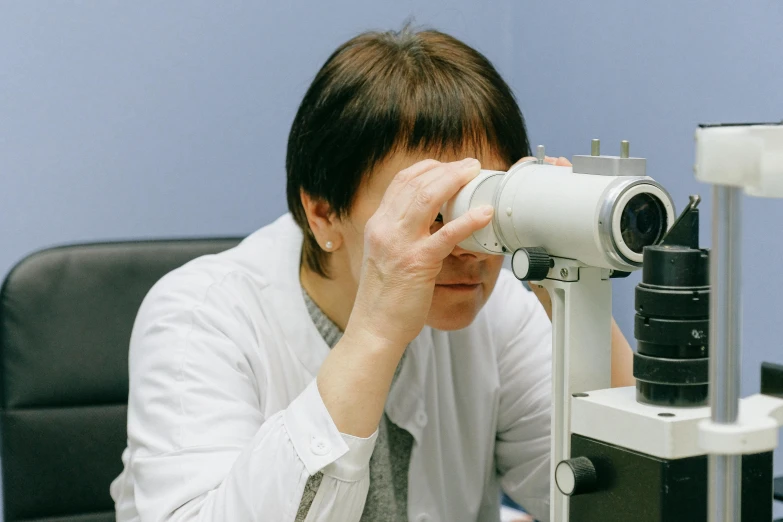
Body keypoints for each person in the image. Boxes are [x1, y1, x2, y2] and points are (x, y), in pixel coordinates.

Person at [110, 25, 634, 522]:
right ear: (322, 213)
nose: (468, 249)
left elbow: (623, 502)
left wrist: (570, 295)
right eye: (429, 211)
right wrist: (377, 334)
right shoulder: (197, 319)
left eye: (485, 208)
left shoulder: (500, 313)